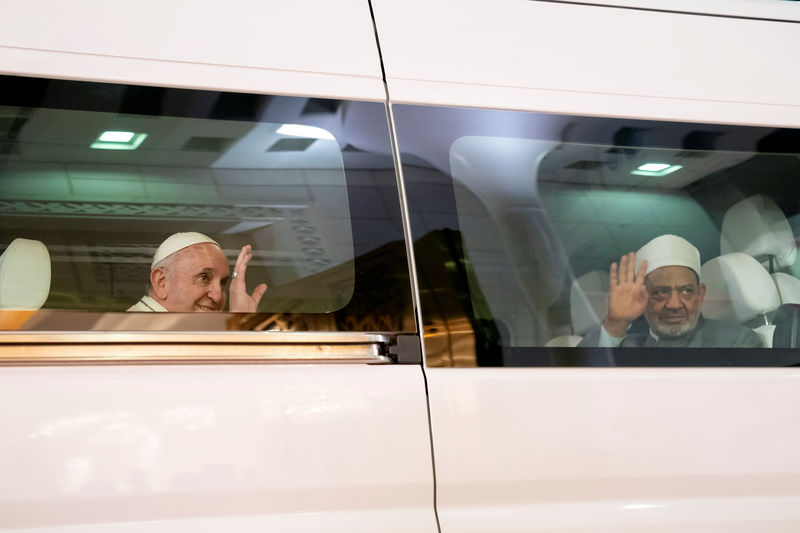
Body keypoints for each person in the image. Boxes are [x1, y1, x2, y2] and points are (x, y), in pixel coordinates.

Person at [579, 234, 762, 348]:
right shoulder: (625, 346)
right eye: (661, 292)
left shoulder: (735, 342)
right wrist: (614, 323)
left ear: (700, 295)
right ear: (642, 300)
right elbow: (577, 381)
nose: (674, 304)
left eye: (686, 291)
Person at [127, 232, 267, 312]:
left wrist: (241, 320)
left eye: (223, 283)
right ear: (161, 282)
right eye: (204, 278)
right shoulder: (134, 333)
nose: (217, 296)